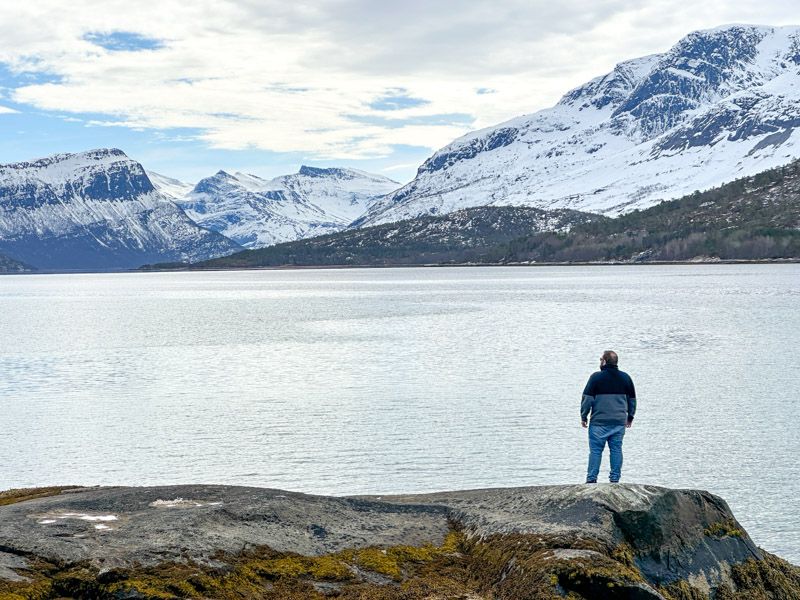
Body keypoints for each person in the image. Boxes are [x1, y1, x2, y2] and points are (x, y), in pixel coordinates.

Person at [580, 350, 636, 483]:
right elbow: (632, 400)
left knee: (596, 451)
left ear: (604, 361)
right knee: (616, 449)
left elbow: (587, 399)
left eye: (601, 359)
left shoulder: (595, 377)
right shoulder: (625, 378)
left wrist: (584, 416)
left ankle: (591, 479)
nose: (600, 362)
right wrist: (630, 417)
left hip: (599, 422)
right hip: (618, 422)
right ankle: (615, 480)